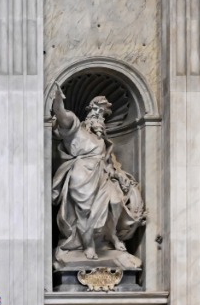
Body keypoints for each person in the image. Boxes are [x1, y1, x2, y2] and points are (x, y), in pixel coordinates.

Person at [50, 85, 145, 265]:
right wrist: (58, 102)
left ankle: (112, 236)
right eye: (98, 118)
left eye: (103, 120)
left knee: (116, 203)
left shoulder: (102, 141)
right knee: (84, 212)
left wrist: (117, 174)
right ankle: (88, 245)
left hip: (102, 176)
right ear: (89, 120)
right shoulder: (77, 131)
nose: (101, 123)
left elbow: (109, 163)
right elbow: (62, 116)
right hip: (82, 176)